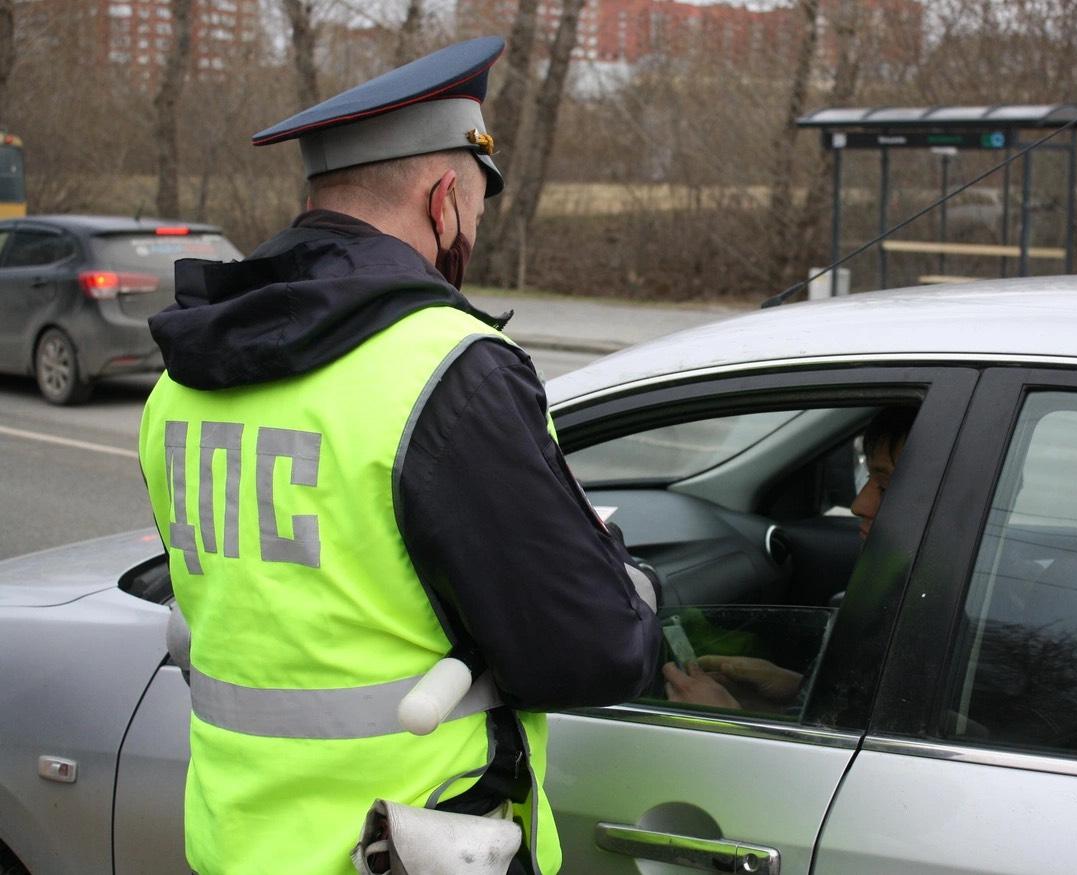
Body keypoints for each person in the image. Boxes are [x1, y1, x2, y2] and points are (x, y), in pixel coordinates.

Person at [137, 37, 660, 875]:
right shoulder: (448, 367)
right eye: (478, 211)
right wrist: (631, 583)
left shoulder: (183, 382)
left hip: (236, 847)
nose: (473, 234)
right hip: (410, 847)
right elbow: (589, 647)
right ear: (446, 195)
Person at [662, 405, 917, 710]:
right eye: (869, 479)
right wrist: (799, 690)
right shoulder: (931, 596)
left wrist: (726, 721)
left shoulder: (948, 623)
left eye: (887, 487)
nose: (859, 504)